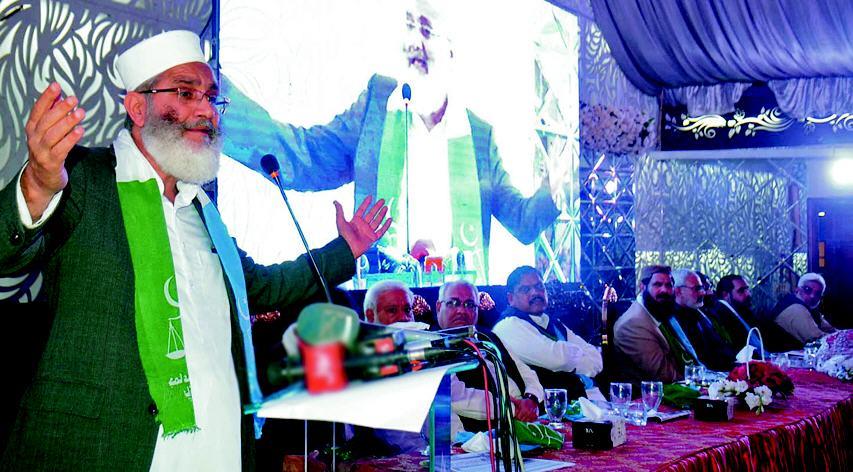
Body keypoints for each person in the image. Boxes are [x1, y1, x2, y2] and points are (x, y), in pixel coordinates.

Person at [0, 30, 390, 471]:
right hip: (109, 449)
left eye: (211, 97)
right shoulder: (86, 180)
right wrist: (35, 187)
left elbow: (262, 286)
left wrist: (347, 248)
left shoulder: (203, 211)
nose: (206, 111)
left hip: (216, 450)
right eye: (186, 93)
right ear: (137, 108)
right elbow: (6, 253)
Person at [219, 0, 560, 283]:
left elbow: (523, 222)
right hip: (386, 300)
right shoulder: (377, 109)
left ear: (451, 50)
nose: (415, 42)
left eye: (426, 30)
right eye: (409, 28)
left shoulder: (477, 134)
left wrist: (559, 185)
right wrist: (217, 105)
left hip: (456, 305)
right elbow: (307, 157)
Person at [436, 280, 542, 435]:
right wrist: (514, 409)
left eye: (470, 305)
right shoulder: (433, 347)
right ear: (439, 307)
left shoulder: (489, 336)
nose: (462, 311)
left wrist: (531, 399)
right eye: (453, 303)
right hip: (484, 435)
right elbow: (457, 397)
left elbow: (527, 373)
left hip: (526, 421)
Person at [492, 266, 598, 401]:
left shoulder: (552, 322)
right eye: (525, 289)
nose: (535, 293)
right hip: (549, 408)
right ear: (511, 298)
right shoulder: (508, 325)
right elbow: (559, 359)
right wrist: (580, 357)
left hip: (588, 397)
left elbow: (596, 358)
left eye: (539, 286)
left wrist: (570, 359)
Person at [612, 266, 702, 384]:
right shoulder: (632, 324)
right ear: (643, 287)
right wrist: (699, 385)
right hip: (658, 392)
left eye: (668, 285)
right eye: (657, 285)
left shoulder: (661, 311)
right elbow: (665, 376)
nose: (664, 290)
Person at [672, 269, 737, 371]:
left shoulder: (700, 314)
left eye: (702, 288)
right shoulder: (672, 321)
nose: (703, 293)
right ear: (678, 291)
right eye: (697, 289)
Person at [767, 273, 836, 348]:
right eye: (807, 290)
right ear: (797, 290)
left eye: (817, 293)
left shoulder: (812, 309)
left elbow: (830, 329)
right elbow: (818, 339)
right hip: (781, 353)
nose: (812, 296)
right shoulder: (796, 309)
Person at [713, 274, 760, 350]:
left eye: (747, 289)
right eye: (741, 291)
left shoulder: (743, 309)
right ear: (725, 295)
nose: (748, 294)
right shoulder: (721, 317)